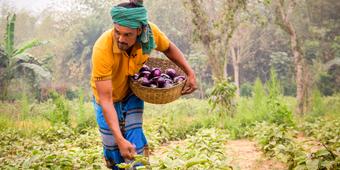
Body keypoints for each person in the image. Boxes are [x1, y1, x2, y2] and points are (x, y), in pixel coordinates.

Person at [90, 1, 197, 169]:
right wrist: (119, 139)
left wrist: (189, 72)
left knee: (134, 136)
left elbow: (169, 48)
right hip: (107, 98)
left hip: (132, 92)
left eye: (127, 35)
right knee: (113, 146)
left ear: (139, 31)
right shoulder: (102, 49)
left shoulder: (150, 34)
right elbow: (106, 99)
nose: (121, 39)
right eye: (117, 32)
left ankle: (139, 166)